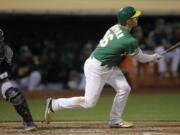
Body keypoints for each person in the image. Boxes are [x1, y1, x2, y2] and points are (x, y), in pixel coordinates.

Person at [44, 6, 161, 128]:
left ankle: (115, 120)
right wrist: (154, 57)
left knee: (124, 88)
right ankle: (54, 104)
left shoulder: (115, 27)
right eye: (134, 17)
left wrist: (152, 57)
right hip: (97, 68)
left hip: (107, 66)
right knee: (89, 103)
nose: (137, 17)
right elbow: (141, 58)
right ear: (127, 20)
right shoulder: (128, 40)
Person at [0, 29, 37, 131]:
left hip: (1, 80)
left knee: (14, 95)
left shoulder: (7, 50)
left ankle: (28, 121)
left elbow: (8, 70)